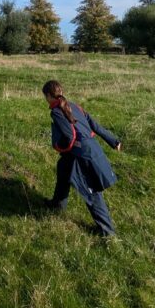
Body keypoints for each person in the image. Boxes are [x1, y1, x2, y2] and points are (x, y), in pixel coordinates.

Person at [42, 79, 122, 237]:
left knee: (92, 191)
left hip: (82, 154)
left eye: (45, 96)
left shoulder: (56, 111)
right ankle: (57, 205)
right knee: (63, 171)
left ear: (49, 95)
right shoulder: (75, 106)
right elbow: (95, 125)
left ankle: (107, 232)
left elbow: (69, 136)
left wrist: (59, 147)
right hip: (84, 149)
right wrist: (114, 141)